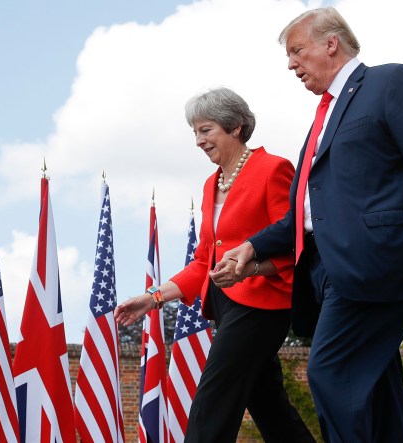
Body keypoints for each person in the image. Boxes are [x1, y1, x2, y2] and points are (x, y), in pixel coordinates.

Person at [214, 7, 403, 443]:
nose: (291, 64)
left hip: (377, 263)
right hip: (328, 273)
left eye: (298, 51)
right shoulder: (323, 117)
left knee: (331, 373)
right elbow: (306, 212)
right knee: (376, 389)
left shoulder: (390, 82)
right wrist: (254, 248)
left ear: (331, 44)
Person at [114, 87, 315, 443]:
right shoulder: (211, 184)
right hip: (226, 305)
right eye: (195, 132)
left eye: (206, 130)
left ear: (235, 126)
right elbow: (203, 261)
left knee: (214, 396)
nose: (198, 140)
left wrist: (250, 268)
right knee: (268, 404)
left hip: (264, 302)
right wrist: (154, 298)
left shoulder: (273, 168)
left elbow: (293, 241)